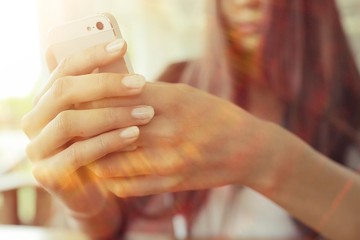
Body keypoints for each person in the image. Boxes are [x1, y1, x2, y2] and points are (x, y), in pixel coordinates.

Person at [21, 0, 360, 239]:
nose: (246, 2)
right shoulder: (176, 80)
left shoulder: (349, 111)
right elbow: (114, 229)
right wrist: (87, 206)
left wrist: (266, 157)